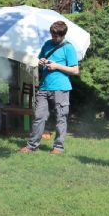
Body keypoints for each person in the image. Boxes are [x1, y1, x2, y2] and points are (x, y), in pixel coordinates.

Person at [19, 21, 79, 154]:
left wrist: (57, 66)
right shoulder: (47, 44)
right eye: (52, 35)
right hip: (44, 86)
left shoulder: (68, 48)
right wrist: (41, 62)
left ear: (63, 35)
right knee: (38, 116)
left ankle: (58, 147)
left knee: (60, 117)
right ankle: (32, 145)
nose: (54, 38)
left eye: (56, 36)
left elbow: (75, 70)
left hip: (61, 88)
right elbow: (41, 59)